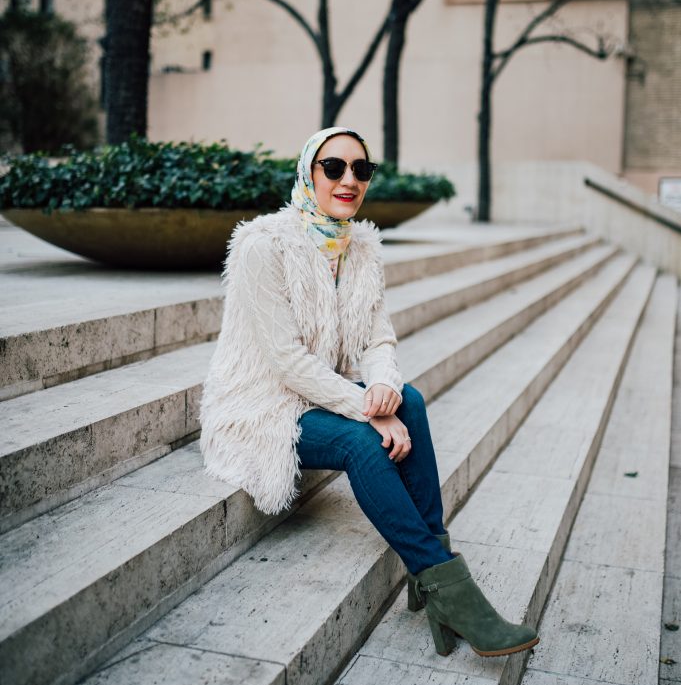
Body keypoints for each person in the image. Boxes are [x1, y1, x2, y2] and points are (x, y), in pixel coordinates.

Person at [200, 126, 539, 658]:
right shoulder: (262, 247)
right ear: (309, 174)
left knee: (412, 399)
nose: (348, 179)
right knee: (363, 443)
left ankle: (432, 577)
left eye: (361, 169)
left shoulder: (359, 247)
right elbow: (285, 362)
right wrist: (367, 411)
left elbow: (377, 336)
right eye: (333, 168)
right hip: (262, 405)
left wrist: (382, 387)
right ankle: (448, 588)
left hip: (318, 393)